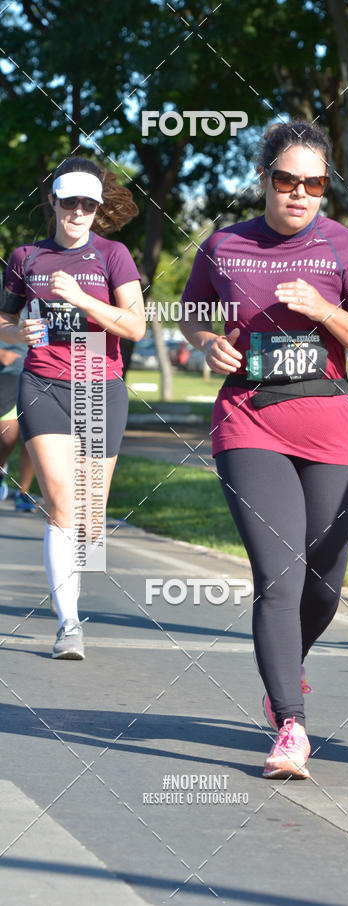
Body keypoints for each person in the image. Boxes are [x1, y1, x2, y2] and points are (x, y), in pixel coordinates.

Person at [179, 121, 348, 779]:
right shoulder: (225, 245)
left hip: (329, 426)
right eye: (286, 180)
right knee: (279, 576)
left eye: (314, 182)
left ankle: (286, 661)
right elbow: (192, 313)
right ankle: (289, 724)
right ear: (266, 179)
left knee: (324, 585)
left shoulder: (345, 246)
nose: (299, 193)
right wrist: (201, 342)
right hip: (249, 422)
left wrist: (323, 311)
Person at [0, 156, 145, 659]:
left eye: (88, 204)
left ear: (97, 208)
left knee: (89, 518)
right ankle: (69, 624)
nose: (78, 212)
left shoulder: (114, 256)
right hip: (42, 384)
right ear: (54, 203)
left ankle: (75, 595)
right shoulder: (26, 257)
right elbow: (3, 324)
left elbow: (134, 327)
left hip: (99, 385)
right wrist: (17, 333)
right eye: (70, 202)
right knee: (61, 504)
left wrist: (83, 299)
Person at [0, 335, 36, 510]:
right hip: (6, 375)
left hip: (36, 375)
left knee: (33, 439)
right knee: (7, 439)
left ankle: (23, 493)